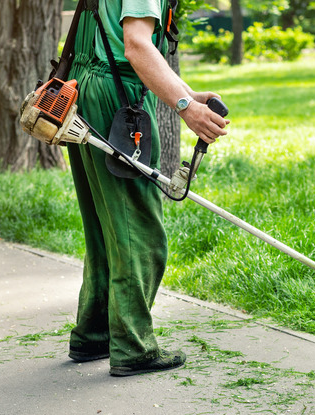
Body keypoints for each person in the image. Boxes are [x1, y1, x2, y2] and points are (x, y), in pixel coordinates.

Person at [65, 0, 229, 376]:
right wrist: (186, 106)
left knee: (105, 225)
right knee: (138, 230)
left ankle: (94, 335)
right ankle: (132, 347)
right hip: (118, 99)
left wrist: (185, 90)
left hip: (86, 91)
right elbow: (136, 45)